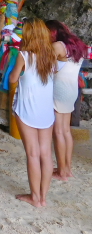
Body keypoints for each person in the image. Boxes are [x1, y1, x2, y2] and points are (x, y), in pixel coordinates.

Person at [9, 19, 56, 208]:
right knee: (46, 154)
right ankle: (43, 198)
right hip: (46, 110)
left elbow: (13, 79)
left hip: (27, 108)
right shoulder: (51, 55)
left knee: (32, 154)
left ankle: (34, 197)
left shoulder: (23, 55)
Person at [45, 20, 86, 181]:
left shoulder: (57, 46)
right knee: (66, 131)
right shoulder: (76, 44)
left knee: (58, 132)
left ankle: (62, 172)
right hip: (71, 90)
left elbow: (46, 67)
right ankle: (66, 168)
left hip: (59, 90)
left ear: (52, 32)